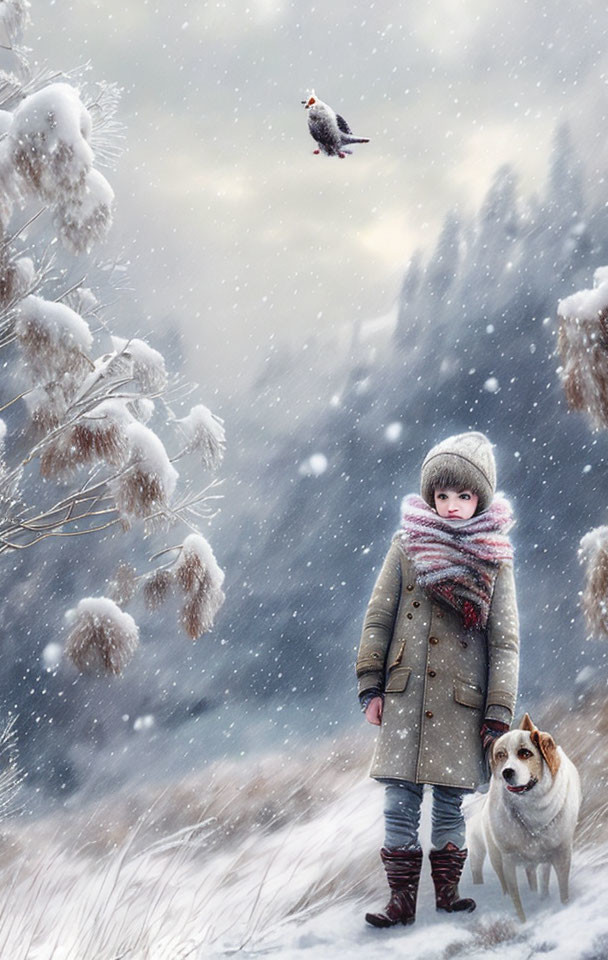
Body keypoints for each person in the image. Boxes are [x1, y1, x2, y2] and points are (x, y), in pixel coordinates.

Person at [355, 431, 519, 928]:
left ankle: (447, 895)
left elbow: (505, 642)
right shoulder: (406, 546)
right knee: (399, 802)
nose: (451, 506)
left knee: (450, 804)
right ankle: (400, 901)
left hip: (461, 705)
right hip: (405, 698)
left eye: (463, 496)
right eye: (442, 495)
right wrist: (370, 682)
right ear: (430, 496)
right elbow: (379, 615)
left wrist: (497, 714)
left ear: (480, 498)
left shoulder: (493, 559)